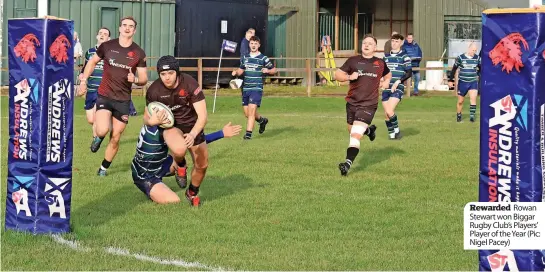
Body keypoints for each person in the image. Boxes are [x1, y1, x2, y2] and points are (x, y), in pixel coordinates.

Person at [78, 16, 148, 176]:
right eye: (124, 25)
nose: (127, 28)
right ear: (119, 28)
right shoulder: (107, 46)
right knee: (102, 129)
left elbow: (144, 78)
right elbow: (92, 62)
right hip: (105, 95)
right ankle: (98, 137)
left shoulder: (138, 52)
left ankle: (103, 168)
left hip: (123, 100)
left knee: (115, 137)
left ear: (134, 30)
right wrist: (83, 80)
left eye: (131, 26)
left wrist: (136, 79)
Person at [144, 55, 207, 206]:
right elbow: (146, 117)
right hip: (171, 126)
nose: (167, 77)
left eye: (170, 73)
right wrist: (153, 121)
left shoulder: (190, 84)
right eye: (163, 74)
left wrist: (193, 134)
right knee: (179, 150)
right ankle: (181, 165)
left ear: (177, 72)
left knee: (202, 165)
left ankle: (191, 193)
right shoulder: (154, 90)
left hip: (192, 126)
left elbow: (203, 116)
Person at [131, 122, 241, 205]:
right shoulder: (163, 130)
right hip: (144, 176)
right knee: (174, 200)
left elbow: (194, 142)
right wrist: (221, 133)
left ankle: (180, 168)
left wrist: (221, 133)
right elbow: (186, 144)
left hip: (160, 164)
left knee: (178, 155)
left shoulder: (153, 122)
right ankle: (151, 190)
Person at [334, 34, 392, 176]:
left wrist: (386, 82)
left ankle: (347, 164)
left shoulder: (380, 63)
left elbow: (388, 75)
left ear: (375, 48)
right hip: (352, 103)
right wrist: (349, 77)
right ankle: (369, 131)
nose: (366, 45)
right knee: (352, 130)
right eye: (364, 43)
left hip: (368, 105)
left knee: (354, 135)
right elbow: (337, 75)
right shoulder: (353, 61)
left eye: (370, 43)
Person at [232, 36, 276, 140]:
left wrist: (268, 71)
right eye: (252, 43)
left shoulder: (263, 58)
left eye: (256, 43)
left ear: (259, 45)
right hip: (246, 88)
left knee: (251, 111)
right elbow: (241, 70)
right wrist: (236, 72)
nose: (253, 45)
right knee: (247, 114)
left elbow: (274, 70)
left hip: (257, 88)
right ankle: (262, 121)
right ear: (249, 44)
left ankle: (248, 135)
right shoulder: (245, 58)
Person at [79, 27, 111, 139]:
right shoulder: (90, 52)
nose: (102, 35)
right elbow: (85, 67)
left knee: (97, 116)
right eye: (100, 33)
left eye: (105, 34)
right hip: (91, 89)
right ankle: (104, 124)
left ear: (109, 38)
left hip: (104, 89)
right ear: (97, 36)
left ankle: (95, 139)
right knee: (91, 119)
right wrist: (82, 77)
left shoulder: (110, 52)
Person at [382, 33, 412, 140]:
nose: (394, 43)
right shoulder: (385, 57)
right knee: (386, 114)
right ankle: (392, 135)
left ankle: (397, 131)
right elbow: (381, 72)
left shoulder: (405, 57)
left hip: (397, 88)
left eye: (397, 41)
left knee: (390, 111)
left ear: (401, 42)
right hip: (386, 88)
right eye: (393, 41)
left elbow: (409, 73)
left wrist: (398, 81)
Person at [449, 43, 481, 123]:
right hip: (462, 82)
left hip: (473, 81)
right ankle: (459, 115)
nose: (474, 52)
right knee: (460, 101)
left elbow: (481, 68)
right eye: (473, 50)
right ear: (469, 48)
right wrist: (450, 80)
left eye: (475, 50)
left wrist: (478, 74)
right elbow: (454, 69)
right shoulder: (460, 58)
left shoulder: (477, 58)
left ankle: (472, 117)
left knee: (473, 99)